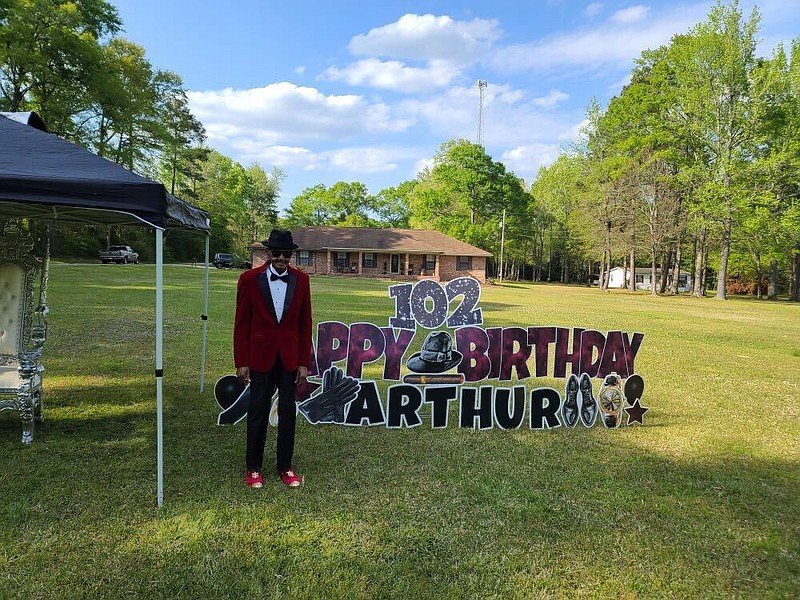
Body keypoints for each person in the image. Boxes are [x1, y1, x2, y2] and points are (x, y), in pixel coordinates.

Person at [234, 229, 312, 488]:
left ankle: (285, 466)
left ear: (292, 255)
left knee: (288, 414)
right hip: (260, 356)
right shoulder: (249, 279)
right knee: (257, 411)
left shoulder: (302, 281)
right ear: (268, 253)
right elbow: (241, 323)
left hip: (289, 359)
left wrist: (303, 362)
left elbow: (305, 324)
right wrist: (241, 360)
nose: (281, 258)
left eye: (286, 253)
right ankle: (253, 467)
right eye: (276, 252)